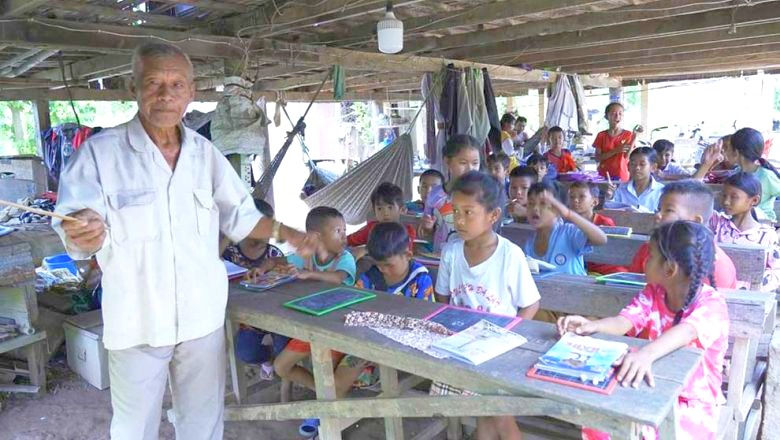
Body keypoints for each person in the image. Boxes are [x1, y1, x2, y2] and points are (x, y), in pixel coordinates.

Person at [52, 42, 317, 440]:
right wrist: (83, 231)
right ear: (133, 87)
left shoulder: (204, 155)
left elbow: (241, 215)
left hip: (200, 319)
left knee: (202, 423)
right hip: (137, 321)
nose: (166, 94)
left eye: (177, 84)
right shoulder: (99, 156)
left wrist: (289, 233)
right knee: (133, 429)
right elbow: (76, 227)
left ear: (192, 92)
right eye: (153, 83)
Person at [560, 221, 728, 440]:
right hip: (651, 388)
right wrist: (592, 325)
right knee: (598, 422)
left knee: (643, 433)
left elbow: (687, 331)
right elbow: (624, 321)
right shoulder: (653, 293)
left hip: (693, 402)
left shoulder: (712, 304)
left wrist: (646, 354)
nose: (644, 261)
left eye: (651, 256)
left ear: (669, 269)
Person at [433, 171, 540, 440]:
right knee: (485, 411)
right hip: (461, 346)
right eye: (455, 211)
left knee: (499, 414)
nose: (459, 220)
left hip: (498, 348)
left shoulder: (510, 255)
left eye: (468, 212)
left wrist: (506, 337)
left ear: (493, 215)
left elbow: (531, 304)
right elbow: (442, 297)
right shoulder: (451, 252)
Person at [267, 206, 360, 437]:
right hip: (310, 329)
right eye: (338, 231)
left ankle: (323, 413)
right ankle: (325, 398)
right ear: (316, 237)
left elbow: (339, 278)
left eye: (344, 230)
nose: (344, 236)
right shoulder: (306, 256)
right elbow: (279, 261)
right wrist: (273, 268)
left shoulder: (345, 258)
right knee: (281, 367)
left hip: (338, 331)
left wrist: (309, 274)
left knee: (330, 375)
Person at [627, 180, 738, 289]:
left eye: (669, 210)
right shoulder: (650, 248)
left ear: (695, 221)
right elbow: (630, 286)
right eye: (659, 209)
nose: (658, 215)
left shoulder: (715, 267)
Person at [220, 198, 286, 381]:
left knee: (284, 346)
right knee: (247, 352)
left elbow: (285, 282)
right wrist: (229, 236)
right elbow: (212, 259)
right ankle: (268, 360)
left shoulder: (274, 254)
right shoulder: (229, 254)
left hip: (276, 317)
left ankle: (281, 366)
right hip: (246, 320)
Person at [709, 172, 780, 291]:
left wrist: (749, 288)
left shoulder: (766, 235)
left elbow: (776, 271)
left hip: (749, 296)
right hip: (716, 292)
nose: (726, 201)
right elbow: (693, 198)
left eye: (734, 197)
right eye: (724, 195)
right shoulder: (716, 223)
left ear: (754, 200)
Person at [524, 182, 607, 276]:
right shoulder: (529, 243)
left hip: (575, 285)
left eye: (543, 203)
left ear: (558, 209)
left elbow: (601, 239)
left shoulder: (568, 233)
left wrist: (568, 214)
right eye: (531, 203)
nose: (535, 208)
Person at [419, 134, 481, 252]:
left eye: (475, 163)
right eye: (463, 163)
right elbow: (428, 231)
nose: (470, 169)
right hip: (441, 256)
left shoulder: (482, 195)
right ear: (447, 161)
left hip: (471, 258)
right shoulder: (434, 195)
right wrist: (428, 227)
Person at [356, 222, 434, 301]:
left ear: (408, 256)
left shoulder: (421, 279)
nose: (382, 269)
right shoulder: (369, 276)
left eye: (388, 265)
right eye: (377, 264)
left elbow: (426, 308)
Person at [567, 182, 626, 274]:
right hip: (577, 267)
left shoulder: (604, 223)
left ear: (594, 202)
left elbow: (611, 252)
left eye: (581, 196)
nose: (575, 200)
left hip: (604, 269)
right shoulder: (566, 224)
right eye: (572, 197)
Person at [347, 182, 416, 259]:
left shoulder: (407, 231)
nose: (385, 213)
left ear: (402, 210)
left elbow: (396, 250)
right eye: (379, 208)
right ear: (374, 211)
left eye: (390, 208)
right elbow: (349, 240)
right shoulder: (371, 228)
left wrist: (366, 249)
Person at [731, 127, 780, 222]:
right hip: (742, 220)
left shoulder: (766, 176)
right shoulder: (737, 172)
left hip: (763, 221)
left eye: (728, 148)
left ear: (736, 152)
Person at [606, 147, 664, 213]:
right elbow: (610, 212)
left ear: (653, 167)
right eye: (633, 164)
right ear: (628, 166)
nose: (637, 168)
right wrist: (610, 197)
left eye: (642, 164)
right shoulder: (621, 188)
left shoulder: (661, 191)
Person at [594, 102, 635, 182]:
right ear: (606, 116)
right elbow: (597, 158)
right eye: (613, 113)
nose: (617, 116)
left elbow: (627, 156)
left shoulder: (628, 134)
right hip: (604, 175)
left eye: (620, 114)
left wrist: (635, 137)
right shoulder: (601, 135)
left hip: (622, 175)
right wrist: (615, 151)